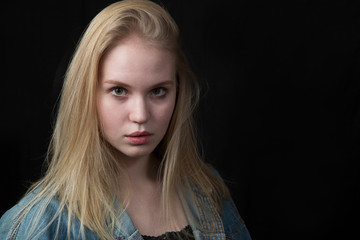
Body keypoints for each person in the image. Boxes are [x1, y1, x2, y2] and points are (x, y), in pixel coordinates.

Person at [0, 0, 251, 239]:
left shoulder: (207, 193)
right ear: (87, 94)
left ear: (178, 90)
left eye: (158, 91)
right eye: (119, 90)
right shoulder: (42, 223)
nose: (140, 115)